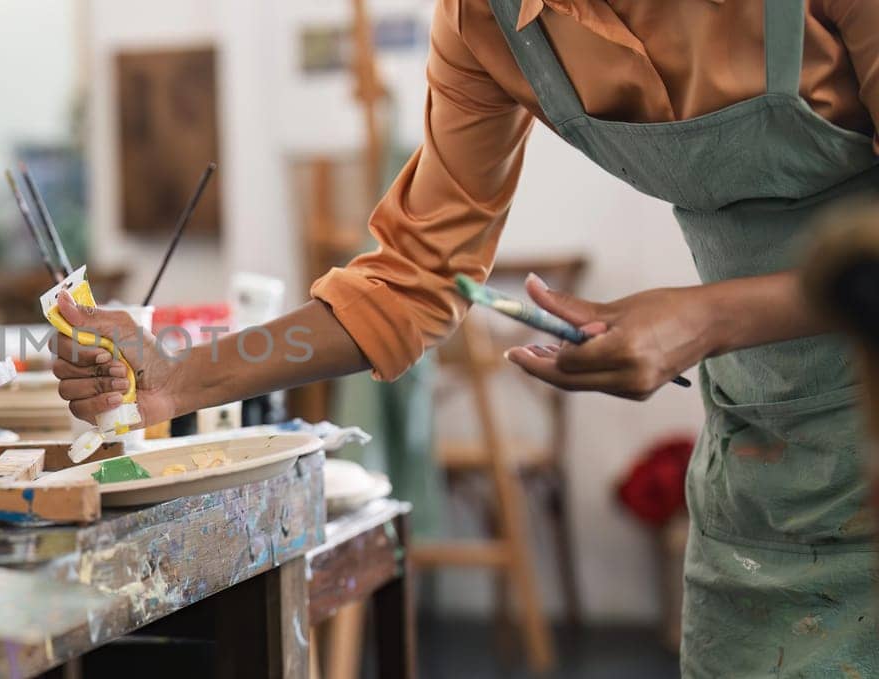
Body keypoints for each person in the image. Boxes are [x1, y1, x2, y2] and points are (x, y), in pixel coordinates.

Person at [49, 0, 879, 675]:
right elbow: (413, 279)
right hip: (770, 463)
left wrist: (705, 318)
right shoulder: (487, 24)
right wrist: (174, 380)